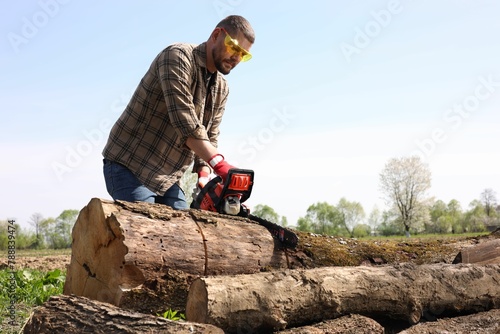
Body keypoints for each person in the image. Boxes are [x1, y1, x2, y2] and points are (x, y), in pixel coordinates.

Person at [102, 15, 255, 210]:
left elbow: (210, 135)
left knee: (185, 231)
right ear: (216, 35)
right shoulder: (177, 57)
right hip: (129, 165)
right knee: (148, 229)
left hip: (168, 178)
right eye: (234, 47)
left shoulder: (221, 88)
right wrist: (220, 165)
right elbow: (185, 122)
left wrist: (204, 176)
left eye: (243, 54)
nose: (236, 58)